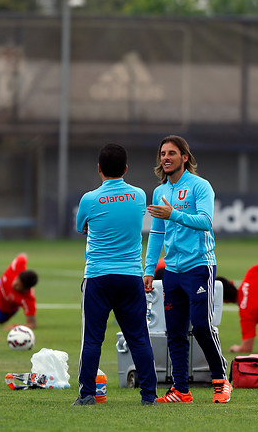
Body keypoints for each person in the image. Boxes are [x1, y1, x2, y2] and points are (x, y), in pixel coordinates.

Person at [143, 135, 231, 404]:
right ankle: (181, 389)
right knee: (175, 331)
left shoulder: (200, 186)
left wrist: (174, 215)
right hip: (172, 271)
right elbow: (157, 232)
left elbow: (205, 222)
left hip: (199, 266)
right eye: (162, 153)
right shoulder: (160, 192)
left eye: (171, 153)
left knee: (203, 327)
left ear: (184, 157)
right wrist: (148, 269)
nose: (165, 158)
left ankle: (221, 381)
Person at [72, 143, 157, 407]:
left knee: (93, 339)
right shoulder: (140, 195)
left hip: (98, 277)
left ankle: (87, 394)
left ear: (99, 169)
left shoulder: (89, 199)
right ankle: (149, 396)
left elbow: (80, 227)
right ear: (126, 169)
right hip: (131, 276)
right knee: (139, 338)